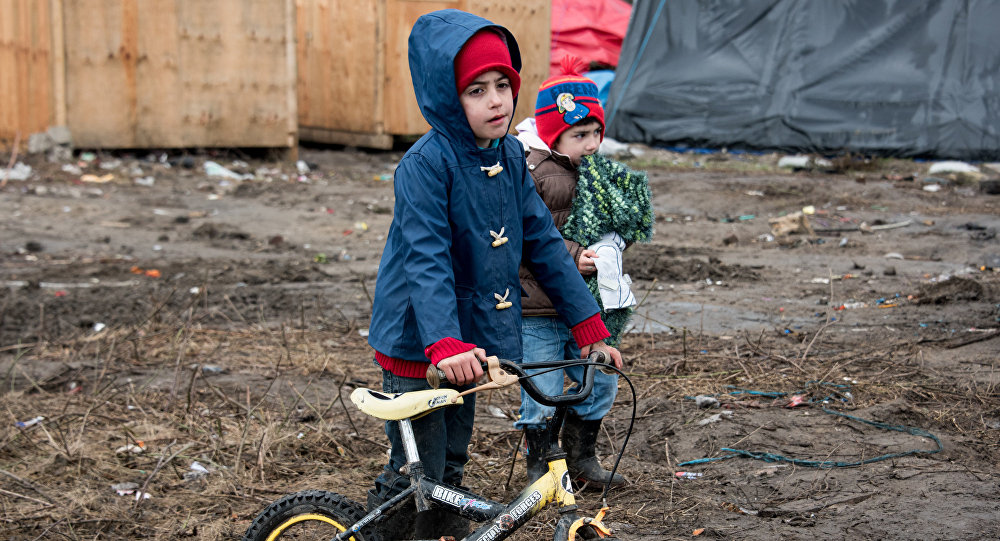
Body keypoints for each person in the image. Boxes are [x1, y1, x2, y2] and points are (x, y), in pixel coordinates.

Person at [364, 10, 623, 539]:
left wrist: (589, 326)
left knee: (453, 460)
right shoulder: (425, 165)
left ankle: (441, 531)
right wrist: (443, 342)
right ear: (445, 98)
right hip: (422, 341)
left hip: (468, 346)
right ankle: (380, 534)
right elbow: (426, 258)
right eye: (476, 90)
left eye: (503, 85)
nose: (496, 100)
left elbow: (546, 246)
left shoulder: (509, 156)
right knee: (420, 469)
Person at [516, 57, 653, 489]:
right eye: (580, 135)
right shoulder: (531, 172)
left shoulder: (595, 174)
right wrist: (573, 253)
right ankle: (540, 467)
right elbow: (525, 236)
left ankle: (582, 458)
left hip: (587, 308)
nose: (592, 143)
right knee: (543, 388)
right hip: (537, 308)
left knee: (600, 379)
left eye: (597, 132)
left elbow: (607, 225)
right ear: (553, 134)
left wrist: (618, 238)